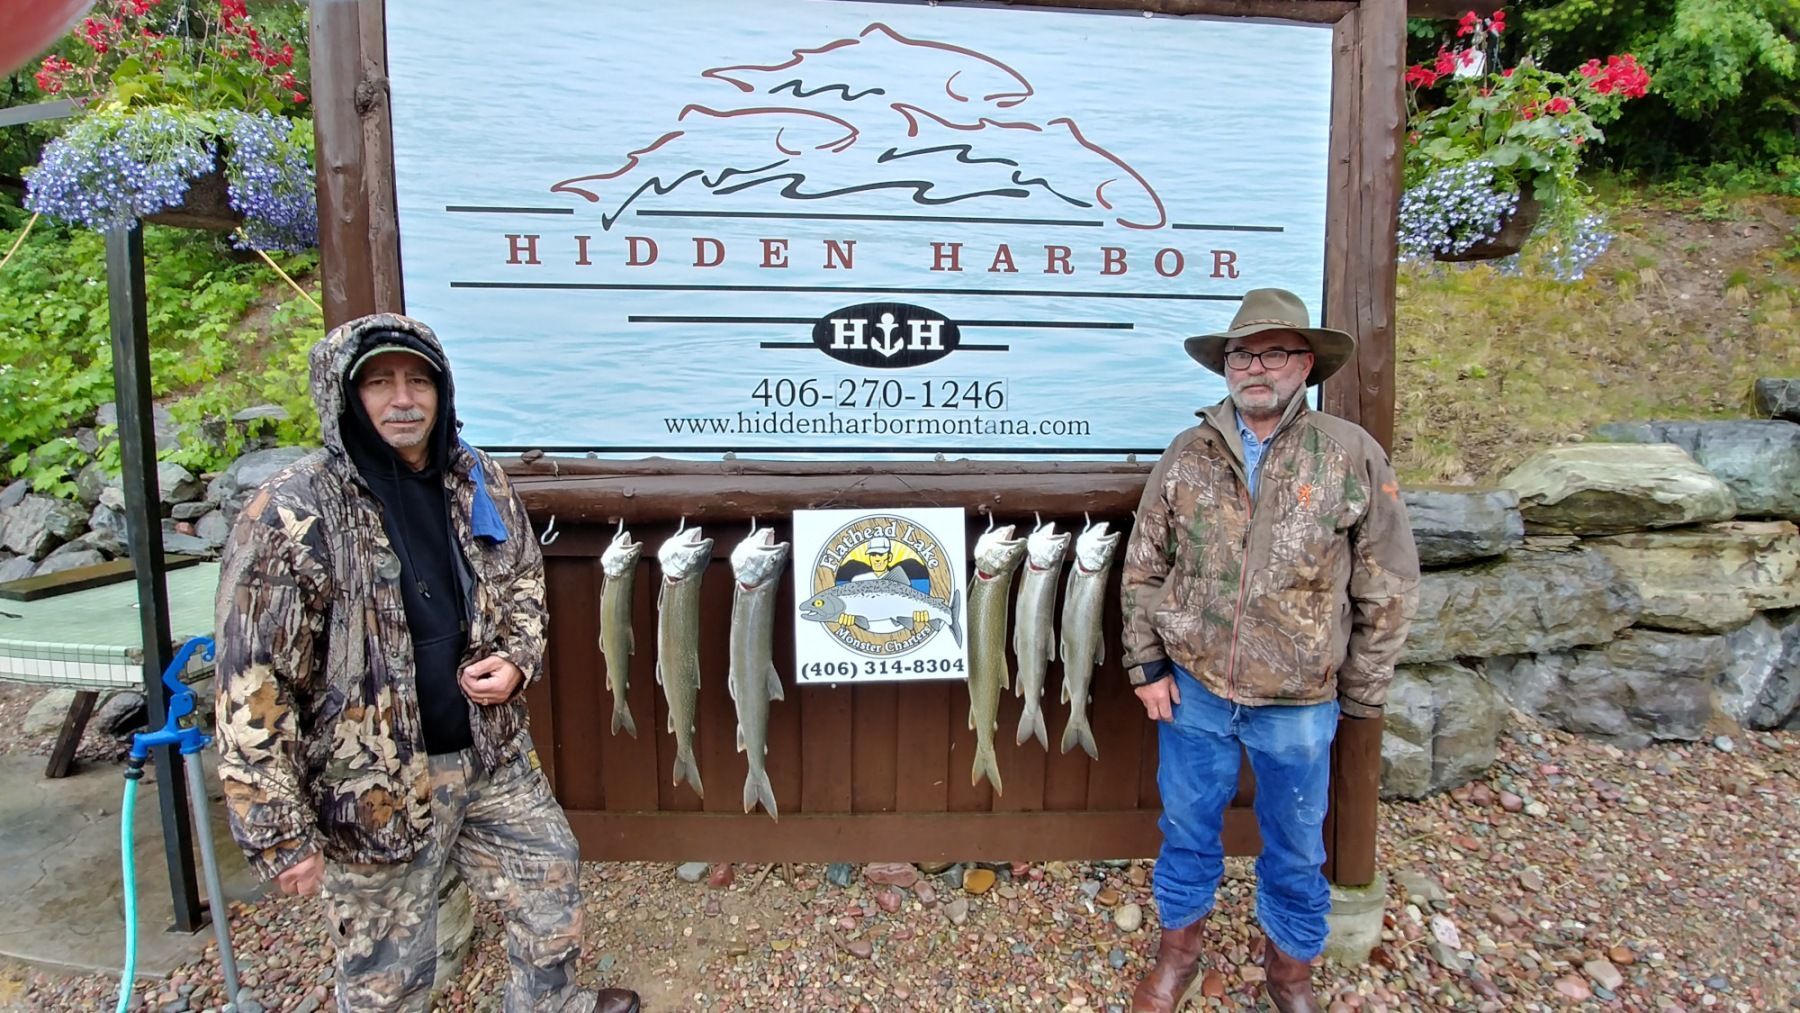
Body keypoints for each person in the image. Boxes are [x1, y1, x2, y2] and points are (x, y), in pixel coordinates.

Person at [213, 313, 640, 1013]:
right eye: (379, 382)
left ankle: (547, 1002)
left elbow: (524, 582)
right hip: (370, 784)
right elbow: (251, 684)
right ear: (344, 394)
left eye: (418, 381)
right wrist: (277, 831)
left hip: (489, 750)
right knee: (390, 969)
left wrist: (516, 659)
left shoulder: (477, 476)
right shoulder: (290, 510)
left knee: (549, 880)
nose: (403, 399)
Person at [1120, 289, 1419, 1013]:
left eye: (1275, 352)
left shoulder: (1349, 453)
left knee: (1297, 846)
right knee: (1187, 831)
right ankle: (1178, 956)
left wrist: (1363, 689)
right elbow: (1143, 566)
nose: (1257, 367)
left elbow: (1390, 580)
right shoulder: (1186, 454)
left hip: (1301, 700)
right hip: (1194, 691)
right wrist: (1147, 665)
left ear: (1306, 365)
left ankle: (1290, 973)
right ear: (1226, 366)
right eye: (1243, 353)